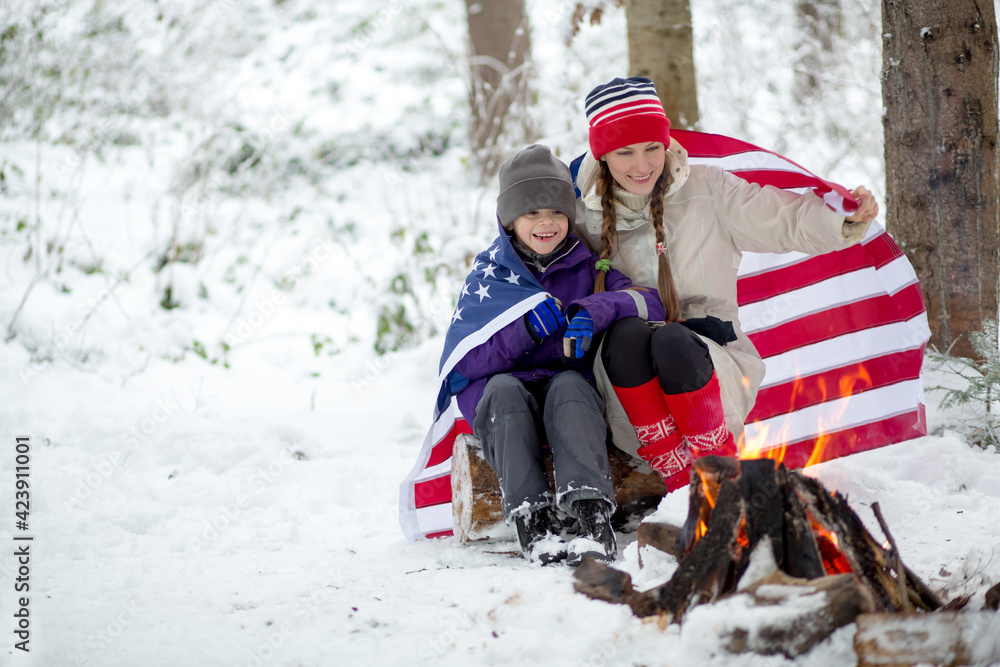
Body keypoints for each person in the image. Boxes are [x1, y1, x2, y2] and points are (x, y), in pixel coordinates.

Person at [573, 77, 880, 491]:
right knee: (627, 333)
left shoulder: (708, 189)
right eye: (625, 152)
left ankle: (716, 469)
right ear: (603, 155)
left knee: (672, 341)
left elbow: (778, 218)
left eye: (652, 148)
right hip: (625, 388)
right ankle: (681, 481)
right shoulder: (581, 216)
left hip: (710, 365)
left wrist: (841, 216)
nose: (642, 164)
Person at [447, 144, 665, 565]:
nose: (546, 223)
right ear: (509, 219)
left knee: (571, 385)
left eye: (557, 213)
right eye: (532, 213)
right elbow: (462, 365)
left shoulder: (589, 266)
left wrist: (596, 310)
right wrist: (524, 332)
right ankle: (533, 516)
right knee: (505, 392)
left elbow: (649, 302)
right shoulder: (489, 276)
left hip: (565, 387)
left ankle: (590, 511)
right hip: (500, 394)